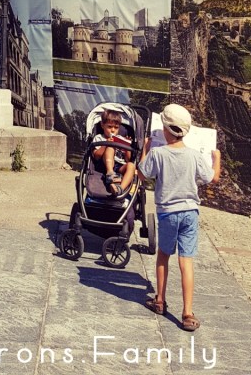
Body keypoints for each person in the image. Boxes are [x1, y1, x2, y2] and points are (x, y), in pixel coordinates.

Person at [138, 103, 221, 332]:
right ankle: (187, 313)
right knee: (187, 262)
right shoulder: (194, 155)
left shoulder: (157, 153)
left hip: (168, 214)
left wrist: (145, 149)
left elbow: (142, 174)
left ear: (164, 129)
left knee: (163, 256)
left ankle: (160, 301)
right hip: (190, 213)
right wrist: (217, 159)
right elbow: (212, 178)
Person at [91, 108, 136, 196]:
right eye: (109, 127)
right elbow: (96, 156)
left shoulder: (120, 138)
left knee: (131, 165)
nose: (113, 130)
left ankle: (120, 189)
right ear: (102, 125)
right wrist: (106, 144)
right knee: (110, 147)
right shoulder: (99, 138)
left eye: (116, 127)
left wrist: (127, 146)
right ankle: (110, 174)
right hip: (104, 165)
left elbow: (128, 159)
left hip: (119, 166)